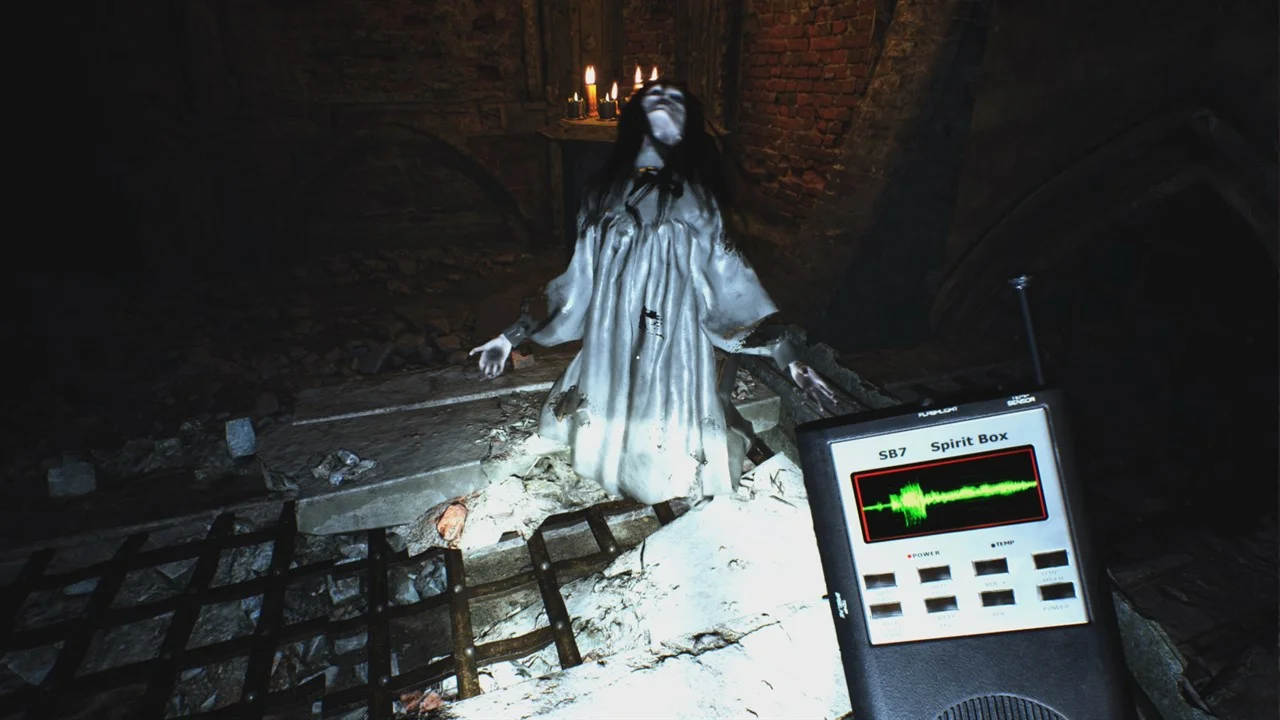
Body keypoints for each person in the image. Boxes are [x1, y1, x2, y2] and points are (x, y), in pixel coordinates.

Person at [470, 80, 835, 505]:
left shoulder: (697, 203)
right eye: (653, 94)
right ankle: (609, 461)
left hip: (671, 339)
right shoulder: (602, 195)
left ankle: (660, 474)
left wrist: (786, 355)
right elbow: (575, 282)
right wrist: (510, 336)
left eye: (676, 97)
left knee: (661, 442)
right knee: (609, 418)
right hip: (611, 335)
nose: (663, 96)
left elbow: (729, 289)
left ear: (687, 125)